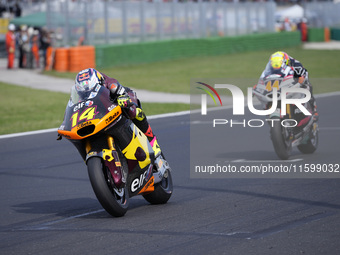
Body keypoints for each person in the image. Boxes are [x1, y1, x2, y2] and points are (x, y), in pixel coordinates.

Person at [74, 68, 162, 158]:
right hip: (102, 112)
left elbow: (119, 91)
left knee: (134, 112)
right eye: (83, 93)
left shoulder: (110, 83)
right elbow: (74, 109)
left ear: (99, 83)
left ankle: (152, 142)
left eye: (90, 91)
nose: (87, 94)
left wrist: (122, 97)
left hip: (120, 96)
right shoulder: (79, 96)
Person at [265, 51, 317, 118]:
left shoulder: (296, 64)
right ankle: (268, 107)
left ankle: (313, 109)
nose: (275, 68)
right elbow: (264, 77)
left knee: (307, 87)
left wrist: (302, 79)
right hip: (280, 85)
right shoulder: (270, 68)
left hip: (293, 82)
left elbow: (304, 74)